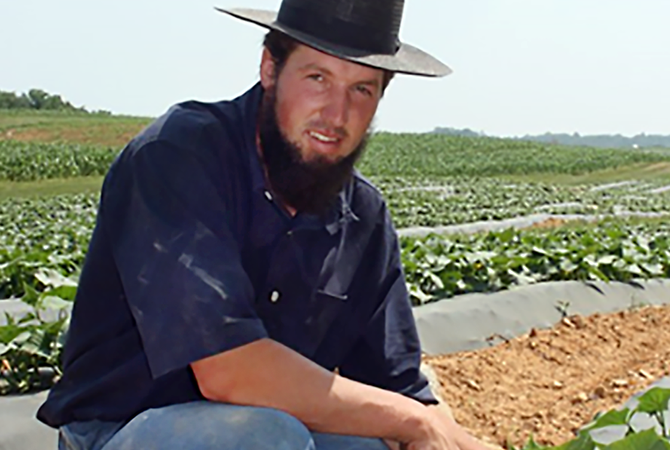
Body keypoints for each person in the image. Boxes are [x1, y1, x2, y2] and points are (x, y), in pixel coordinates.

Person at [36, 1, 494, 450]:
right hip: (119, 431)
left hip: (274, 430)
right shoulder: (178, 157)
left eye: (362, 90)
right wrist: (414, 420)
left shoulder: (364, 217)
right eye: (318, 78)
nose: (337, 115)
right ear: (270, 68)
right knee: (265, 438)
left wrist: (442, 432)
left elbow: (401, 390)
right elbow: (229, 371)